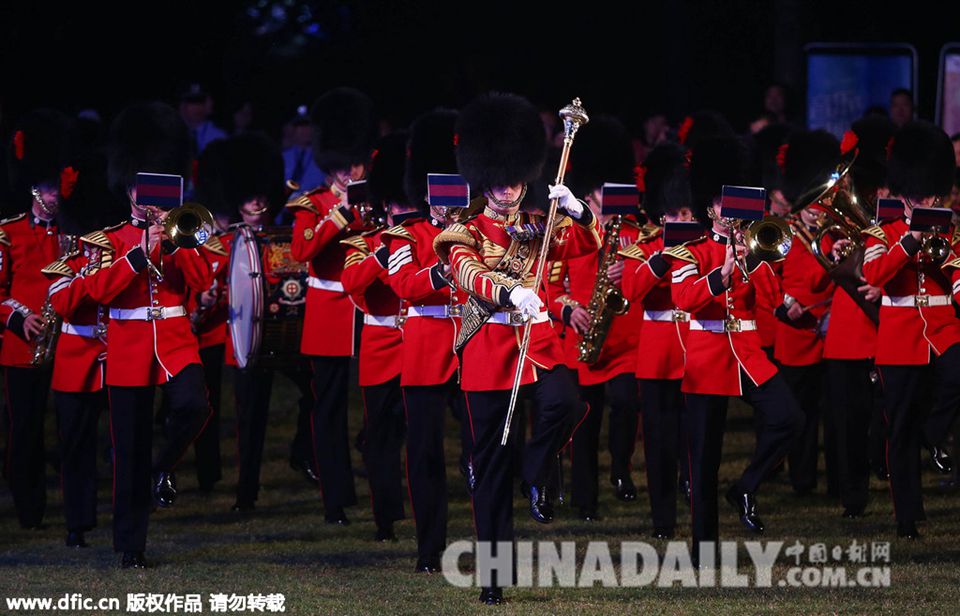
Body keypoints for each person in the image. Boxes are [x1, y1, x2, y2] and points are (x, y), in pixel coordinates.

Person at [433, 93, 601, 604]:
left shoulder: (540, 223)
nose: (507, 190)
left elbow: (587, 246)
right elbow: (468, 271)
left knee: (568, 403)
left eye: (514, 180)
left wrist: (580, 212)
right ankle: (493, 575)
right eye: (498, 182)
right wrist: (511, 292)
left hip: (537, 342)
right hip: (488, 344)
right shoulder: (462, 228)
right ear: (484, 181)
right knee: (490, 465)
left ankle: (537, 469)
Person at [81, 102, 213, 568]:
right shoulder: (109, 238)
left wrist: (175, 240)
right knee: (129, 448)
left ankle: (163, 469)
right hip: (128, 346)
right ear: (128, 186)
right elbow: (97, 290)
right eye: (141, 186)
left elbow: (200, 281)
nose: (147, 195)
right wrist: (139, 255)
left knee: (195, 405)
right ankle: (131, 545)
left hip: (175, 339)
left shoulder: (183, 233)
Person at [668, 136, 802, 563]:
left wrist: (752, 259)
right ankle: (703, 551)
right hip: (707, 355)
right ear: (711, 207)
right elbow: (684, 298)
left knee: (789, 418)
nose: (733, 214)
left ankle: (744, 487)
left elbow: (769, 296)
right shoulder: (691, 248)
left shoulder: (753, 245)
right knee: (703, 460)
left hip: (746, 351)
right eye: (726, 205)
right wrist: (720, 276)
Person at [196, 132, 318, 512]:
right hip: (241, 338)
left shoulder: (283, 236)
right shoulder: (221, 241)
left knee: (319, 391)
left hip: (284, 334)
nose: (258, 201)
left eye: (262, 194)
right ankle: (244, 493)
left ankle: (303, 451)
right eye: (250, 196)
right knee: (249, 419)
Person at [861, 120, 960, 538]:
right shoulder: (884, 230)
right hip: (900, 336)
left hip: (942, 326)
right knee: (898, 426)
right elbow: (874, 271)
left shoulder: (951, 229)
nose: (922, 200)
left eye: (928, 194)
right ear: (902, 194)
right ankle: (907, 516)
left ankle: (932, 434)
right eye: (915, 195)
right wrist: (911, 240)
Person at [287, 87, 377, 525]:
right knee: (329, 409)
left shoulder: (372, 203)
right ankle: (335, 498)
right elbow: (302, 251)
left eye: (355, 164)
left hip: (370, 309)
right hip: (328, 313)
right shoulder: (312, 203)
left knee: (382, 402)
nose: (350, 172)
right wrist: (339, 215)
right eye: (343, 166)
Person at [382, 108, 466, 572]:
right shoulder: (405, 233)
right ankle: (429, 548)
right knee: (425, 453)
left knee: (486, 444)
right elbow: (402, 286)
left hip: (473, 341)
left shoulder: (478, 229)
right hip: (427, 347)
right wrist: (442, 267)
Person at [551, 115, 643, 521]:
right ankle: (584, 499)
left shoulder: (634, 233)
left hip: (623, 340)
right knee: (583, 423)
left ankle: (621, 467)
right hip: (583, 337)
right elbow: (550, 287)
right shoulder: (569, 229)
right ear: (590, 191)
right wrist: (569, 309)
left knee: (626, 404)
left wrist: (633, 269)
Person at [340, 131, 415, 542]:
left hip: (421, 343)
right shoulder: (363, 241)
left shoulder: (424, 236)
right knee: (382, 436)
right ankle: (386, 516)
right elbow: (351, 280)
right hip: (382, 345)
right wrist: (382, 254)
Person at [0, 108, 74, 531]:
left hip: (67, 344)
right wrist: (18, 319)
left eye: (57, 187)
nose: (55, 195)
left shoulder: (70, 233)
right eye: (48, 188)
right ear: (32, 188)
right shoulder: (9, 232)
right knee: (25, 429)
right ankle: (29, 507)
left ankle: (72, 505)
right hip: (24, 342)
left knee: (69, 426)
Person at [41, 140, 116, 548]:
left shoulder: (118, 254)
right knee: (76, 446)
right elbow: (66, 303)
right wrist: (92, 273)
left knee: (124, 443)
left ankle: (129, 512)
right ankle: (78, 520)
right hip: (76, 360)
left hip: (117, 356)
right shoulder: (66, 262)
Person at [620, 142, 696, 538]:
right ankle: (663, 518)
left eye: (685, 212)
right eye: (674, 213)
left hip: (697, 350)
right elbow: (632, 289)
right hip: (658, 355)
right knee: (660, 443)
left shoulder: (705, 245)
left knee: (695, 440)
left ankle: (696, 503)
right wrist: (663, 256)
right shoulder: (645, 247)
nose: (680, 218)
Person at [825, 115, 894, 518]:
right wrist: (837, 252)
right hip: (850, 327)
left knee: (884, 415)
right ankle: (852, 494)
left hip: (885, 325)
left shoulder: (896, 212)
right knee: (848, 418)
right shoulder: (845, 207)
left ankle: (883, 470)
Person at [774, 129, 850, 497]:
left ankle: (838, 482)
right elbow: (766, 278)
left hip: (833, 331)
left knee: (836, 414)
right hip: (795, 331)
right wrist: (786, 302)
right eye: (811, 202)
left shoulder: (836, 233)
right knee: (801, 415)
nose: (816, 209)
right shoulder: (782, 232)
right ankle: (802, 481)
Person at [179, 83, 227, 155]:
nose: (196, 107)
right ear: (183, 105)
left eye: (200, 102)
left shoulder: (218, 136)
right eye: (192, 102)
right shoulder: (175, 134)